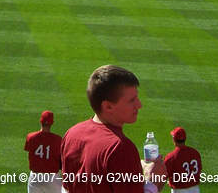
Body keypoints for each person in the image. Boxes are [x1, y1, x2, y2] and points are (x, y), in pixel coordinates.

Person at [61, 65, 166, 193]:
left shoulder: (71, 134)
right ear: (108, 107)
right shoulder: (120, 148)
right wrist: (153, 183)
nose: (139, 105)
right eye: (132, 100)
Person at [24, 110, 62, 193]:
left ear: (40, 121)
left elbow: (28, 150)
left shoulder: (30, 137)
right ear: (52, 123)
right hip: (52, 179)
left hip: (35, 177)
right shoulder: (58, 140)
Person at [163, 127, 201, 193]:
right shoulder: (195, 152)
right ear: (185, 138)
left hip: (179, 190)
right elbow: (199, 169)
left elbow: (163, 175)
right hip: (195, 189)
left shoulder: (171, 157)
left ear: (173, 139)